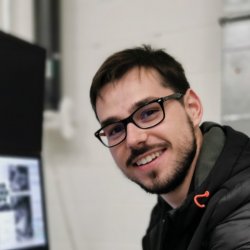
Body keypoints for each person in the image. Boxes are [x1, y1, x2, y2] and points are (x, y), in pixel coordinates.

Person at [89, 45, 250, 249]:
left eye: (148, 113)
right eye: (114, 129)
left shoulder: (241, 208)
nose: (132, 139)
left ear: (192, 108)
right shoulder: (168, 208)